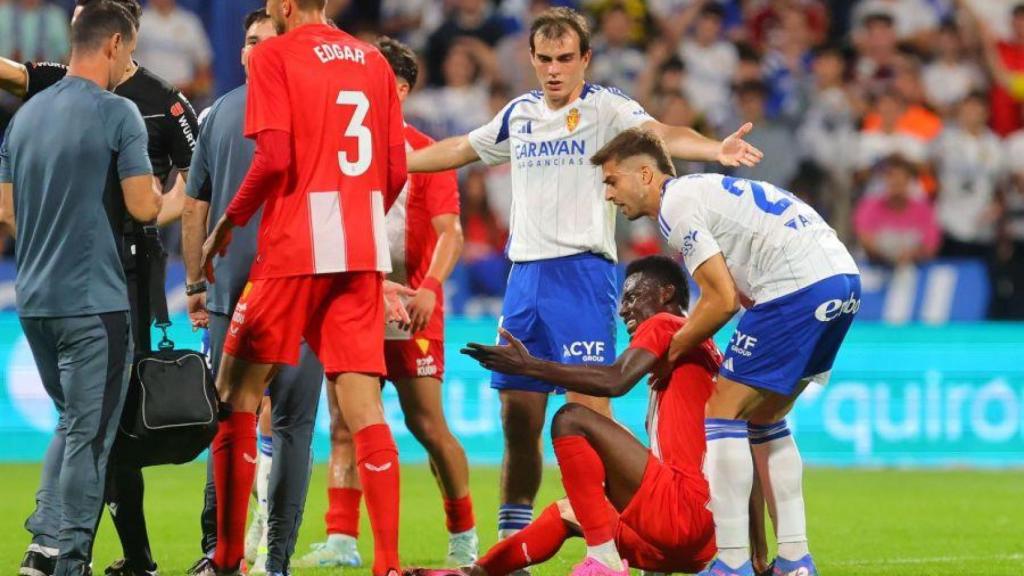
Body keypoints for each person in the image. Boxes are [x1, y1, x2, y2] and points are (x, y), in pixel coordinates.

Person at [407, 6, 762, 544]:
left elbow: (661, 132)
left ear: (585, 59)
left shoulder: (606, 108)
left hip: (582, 274)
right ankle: (514, 536)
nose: (554, 69)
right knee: (518, 420)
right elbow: (460, 149)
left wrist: (716, 148)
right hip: (524, 277)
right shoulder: (519, 114)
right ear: (531, 58)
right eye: (545, 59)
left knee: (588, 417)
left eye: (565, 59)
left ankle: (611, 540)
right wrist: (392, 163)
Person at [588, 128, 860, 576]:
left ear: (644, 174)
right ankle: (795, 559)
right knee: (766, 418)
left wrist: (672, 351)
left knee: (721, 412)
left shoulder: (675, 206)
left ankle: (731, 562)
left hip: (797, 284)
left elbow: (720, 301)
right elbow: (737, 292)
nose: (608, 193)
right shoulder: (706, 192)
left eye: (612, 180)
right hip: (842, 280)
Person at [197, 0, 409, 574]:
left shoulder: (274, 54)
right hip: (362, 250)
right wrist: (357, 221)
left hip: (295, 248)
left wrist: (230, 221)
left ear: (285, 7)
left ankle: (225, 555)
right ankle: (387, 564)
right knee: (363, 407)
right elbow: (395, 170)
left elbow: (272, 158)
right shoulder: (373, 61)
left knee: (235, 392)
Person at [3, 2, 199, 574]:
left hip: (34, 302)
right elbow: (144, 205)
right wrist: (182, 197)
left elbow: (7, 210)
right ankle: (70, 559)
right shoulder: (119, 114)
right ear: (115, 45)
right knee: (93, 436)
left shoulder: (24, 117)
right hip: (98, 302)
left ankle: (42, 547)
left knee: (72, 424)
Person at [293, 36, 476, 569]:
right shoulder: (341, 150)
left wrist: (429, 289)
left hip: (413, 305)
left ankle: (463, 534)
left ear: (396, 87)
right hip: (356, 300)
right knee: (344, 422)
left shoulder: (426, 152)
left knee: (427, 425)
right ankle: (342, 541)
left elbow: (452, 233)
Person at [458, 255, 719, 576]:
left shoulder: (665, 323)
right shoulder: (703, 354)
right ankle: (480, 571)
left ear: (666, 294)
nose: (623, 310)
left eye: (633, 297)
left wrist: (530, 366)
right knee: (570, 511)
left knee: (571, 419)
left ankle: (603, 558)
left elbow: (615, 380)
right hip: (701, 543)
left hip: (681, 514)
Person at [180, 9, 326, 576]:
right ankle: (233, 555)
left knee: (263, 420)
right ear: (241, 52)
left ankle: (258, 558)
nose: (255, 51)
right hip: (256, 290)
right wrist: (195, 282)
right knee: (264, 422)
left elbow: (199, 203)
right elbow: (195, 203)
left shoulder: (223, 112)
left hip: (288, 289)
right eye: (248, 42)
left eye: (266, 41)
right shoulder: (228, 112)